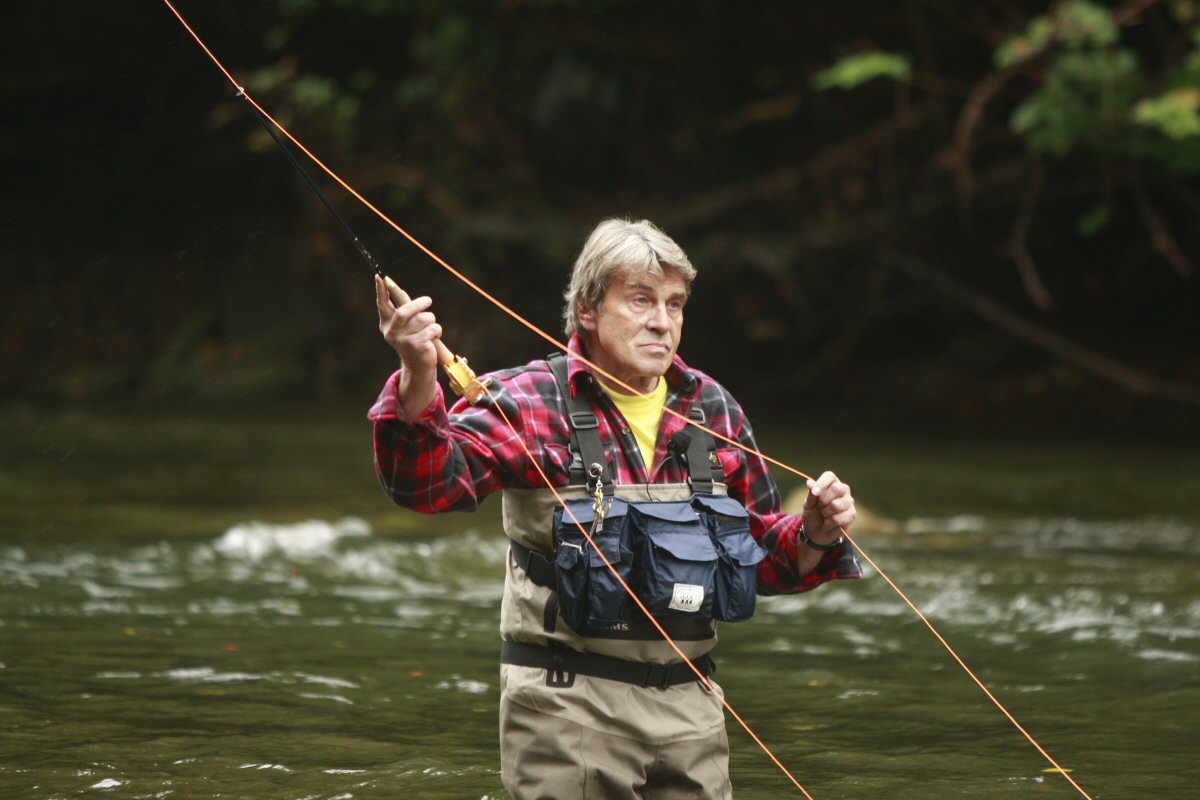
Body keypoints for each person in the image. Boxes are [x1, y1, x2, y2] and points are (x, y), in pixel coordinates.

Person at [370, 218, 861, 799]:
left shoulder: (713, 410)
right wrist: (419, 374)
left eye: (675, 304)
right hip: (566, 708)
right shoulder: (528, 400)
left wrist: (816, 536)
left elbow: (757, 564)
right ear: (588, 310)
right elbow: (427, 486)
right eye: (641, 299)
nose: (662, 321)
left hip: (693, 715)